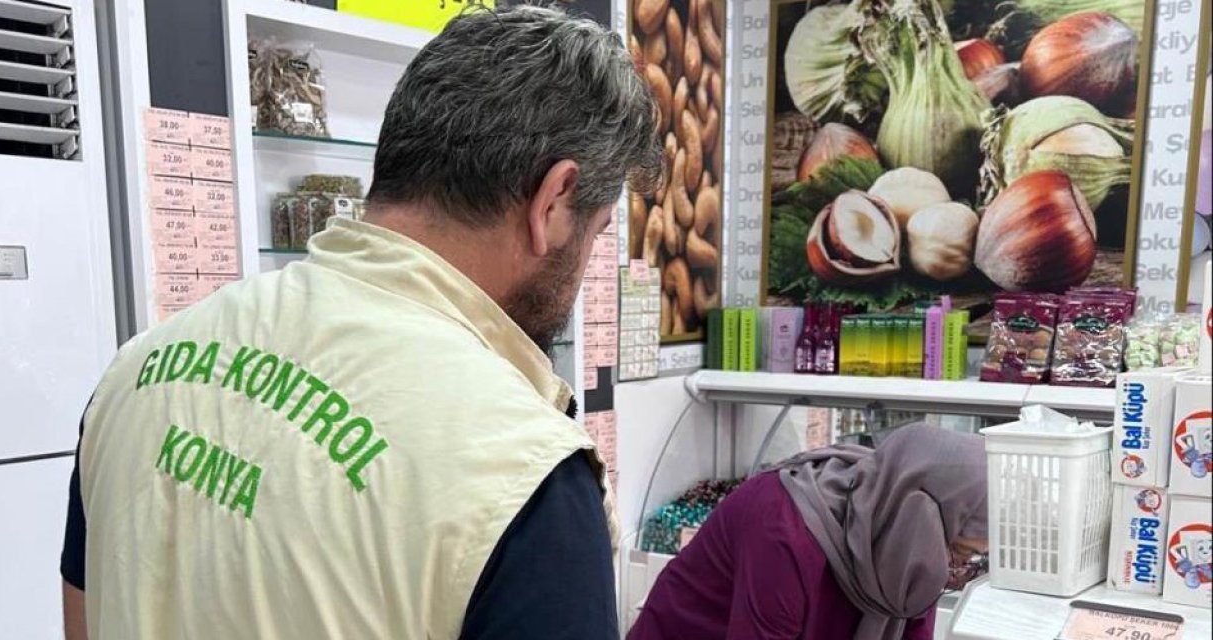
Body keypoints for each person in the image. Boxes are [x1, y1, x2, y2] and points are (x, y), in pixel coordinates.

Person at [60, 6, 659, 639]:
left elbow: (83, 622)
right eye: (597, 230)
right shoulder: (522, 474)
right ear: (554, 202)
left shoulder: (138, 371)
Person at [629, 424, 989, 640]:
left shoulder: (904, 539)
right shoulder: (785, 528)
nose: (950, 570)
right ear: (919, 513)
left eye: (972, 560)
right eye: (956, 551)